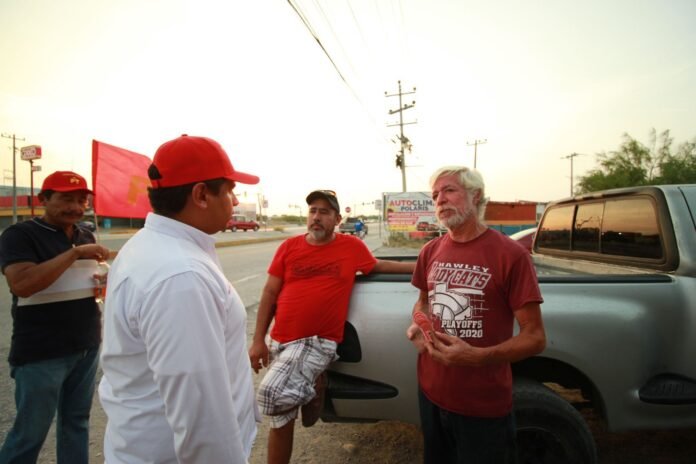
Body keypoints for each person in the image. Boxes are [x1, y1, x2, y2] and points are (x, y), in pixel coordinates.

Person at [98, 135, 261, 464]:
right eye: (229, 190)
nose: (234, 200)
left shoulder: (151, 247)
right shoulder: (180, 276)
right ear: (201, 195)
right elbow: (203, 421)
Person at [249, 190, 414, 464]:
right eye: (313, 210)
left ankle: (311, 386)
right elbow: (269, 292)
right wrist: (258, 340)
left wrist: (422, 268)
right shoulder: (289, 247)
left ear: (337, 219)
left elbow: (378, 266)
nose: (316, 217)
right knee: (282, 417)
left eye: (324, 212)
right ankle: (312, 384)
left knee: (271, 393)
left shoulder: (351, 247)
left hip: (317, 341)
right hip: (281, 341)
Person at [406, 166, 546, 464]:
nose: (440, 200)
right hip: (430, 392)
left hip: (482, 405)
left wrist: (477, 357)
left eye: (449, 190)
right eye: (435, 195)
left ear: (476, 195)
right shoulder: (430, 250)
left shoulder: (511, 255)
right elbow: (423, 303)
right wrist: (419, 324)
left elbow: (535, 338)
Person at [0, 171, 110, 464]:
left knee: (77, 423)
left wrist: (102, 283)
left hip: (86, 345)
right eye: (66, 199)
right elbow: (22, 284)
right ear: (43, 199)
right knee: (30, 433)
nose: (75, 207)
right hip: (41, 352)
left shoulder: (84, 234)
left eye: (81, 200)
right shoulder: (20, 235)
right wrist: (74, 254)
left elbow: (87, 285)